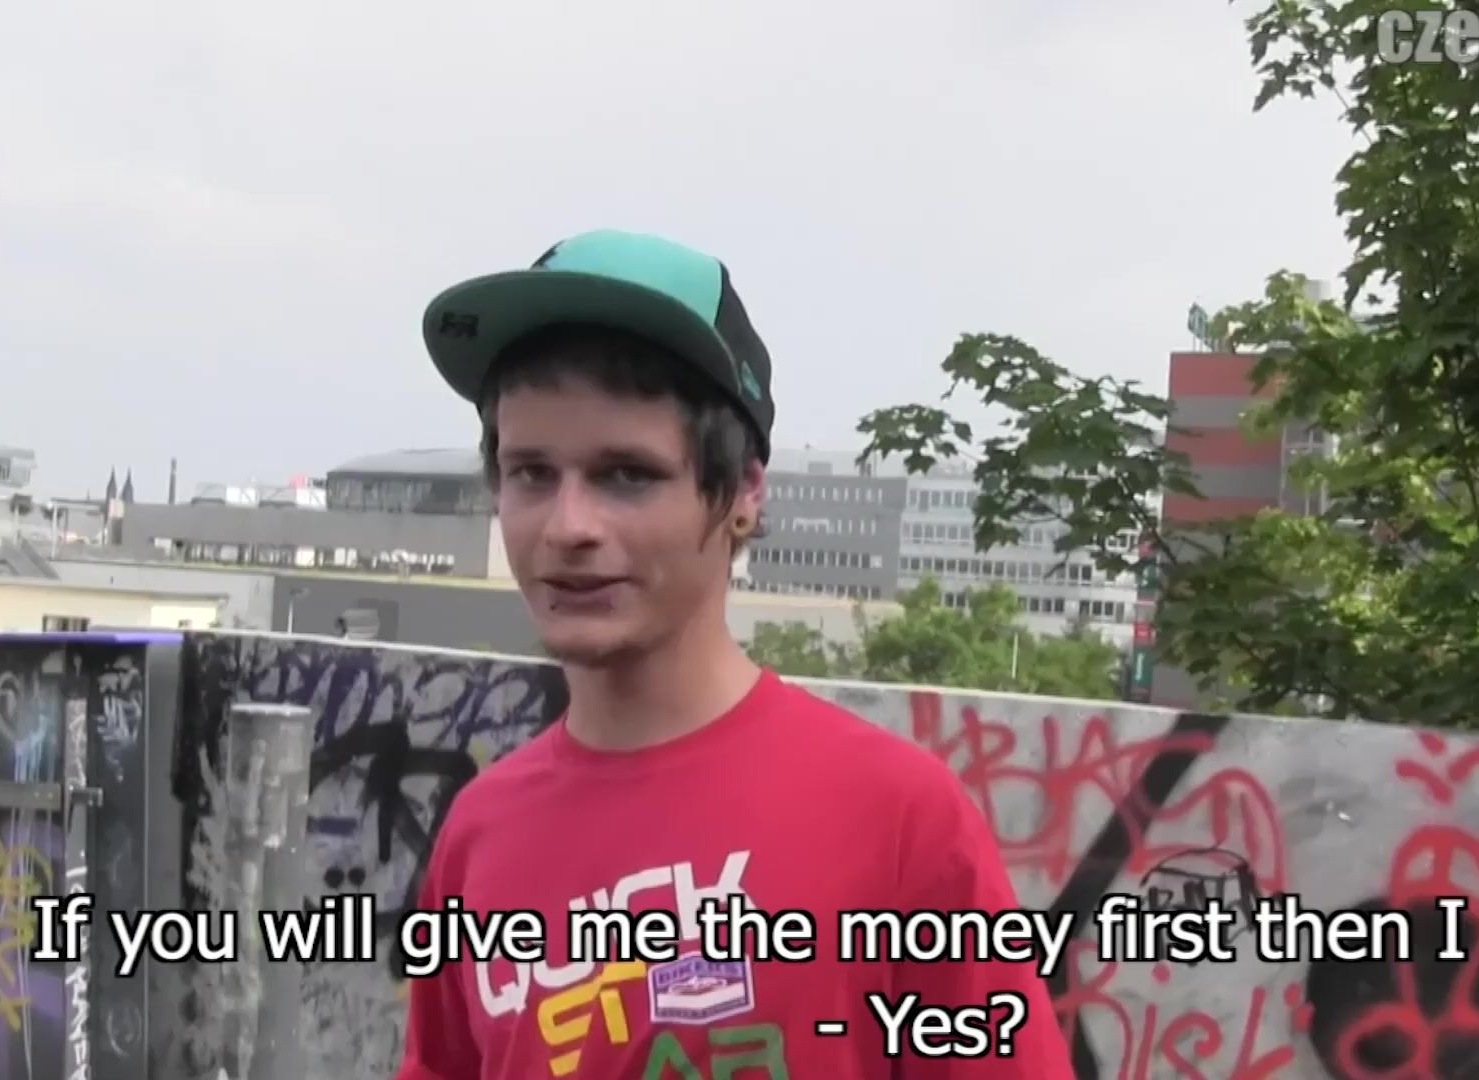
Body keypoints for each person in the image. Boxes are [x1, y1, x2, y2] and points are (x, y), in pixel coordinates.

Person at [395, 229, 1075, 1080]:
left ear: (746, 491)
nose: (569, 527)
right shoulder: (478, 834)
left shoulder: (898, 820)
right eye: (532, 473)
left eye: (626, 474)